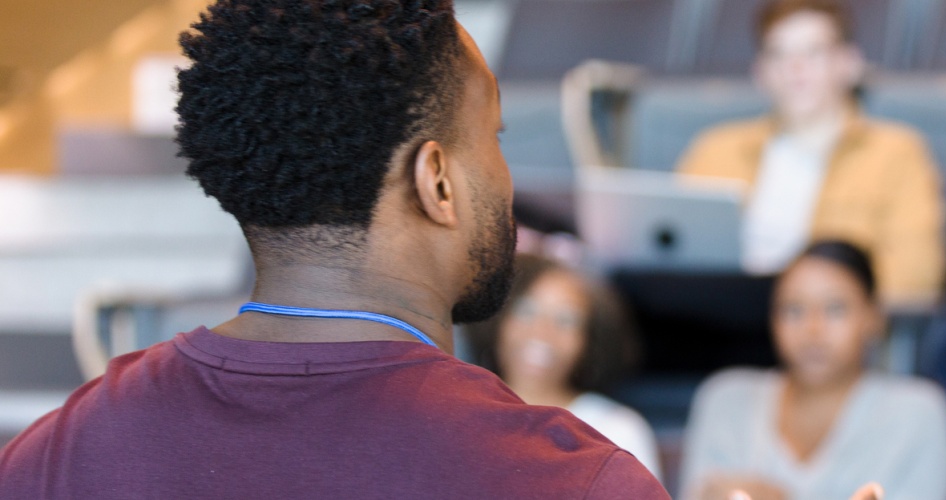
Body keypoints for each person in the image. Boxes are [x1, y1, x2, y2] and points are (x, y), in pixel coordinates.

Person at [0, 0, 669, 497]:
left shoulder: (57, 453)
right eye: (491, 136)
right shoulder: (573, 480)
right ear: (435, 179)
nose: (505, 172)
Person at [675, 0, 946, 307]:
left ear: (850, 63)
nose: (795, 69)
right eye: (779, 54)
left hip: (824, 322)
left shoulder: (896, 153)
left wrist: (816, 296)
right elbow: (672, 253)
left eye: (813, 52)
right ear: (759, 71)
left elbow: (916, 274)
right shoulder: (715, 149)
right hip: (717, 311)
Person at [681, 241, 946, 500]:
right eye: (794, 310)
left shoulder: (918, 413)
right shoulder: (726, 399)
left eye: (834, 309)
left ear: (873, 317)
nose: (812, 330)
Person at [466, 254, 662, 478]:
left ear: (588, 341)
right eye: (526, 311)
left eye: (565, 320)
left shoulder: (617, 430)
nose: (542, 332)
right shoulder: (463, 418)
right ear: (498, 319)